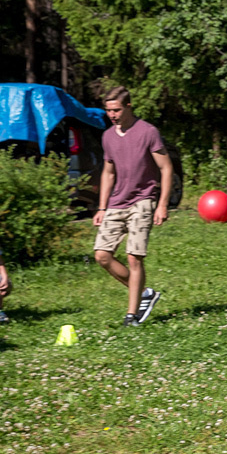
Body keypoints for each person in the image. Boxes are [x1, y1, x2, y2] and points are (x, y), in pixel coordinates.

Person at [92, 85, 173, 327]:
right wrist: (102, 207)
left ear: (128, 106)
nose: (112, 115)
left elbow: (166, 168)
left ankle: (131, 315)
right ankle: (144, 293)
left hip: (143, 200)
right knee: (102, 256)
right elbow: (108, 172)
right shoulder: (108, 136)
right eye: (108, 111)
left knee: (133, 257)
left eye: (116, 110)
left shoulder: (148, 132)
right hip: (117, 202)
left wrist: (162, 204)